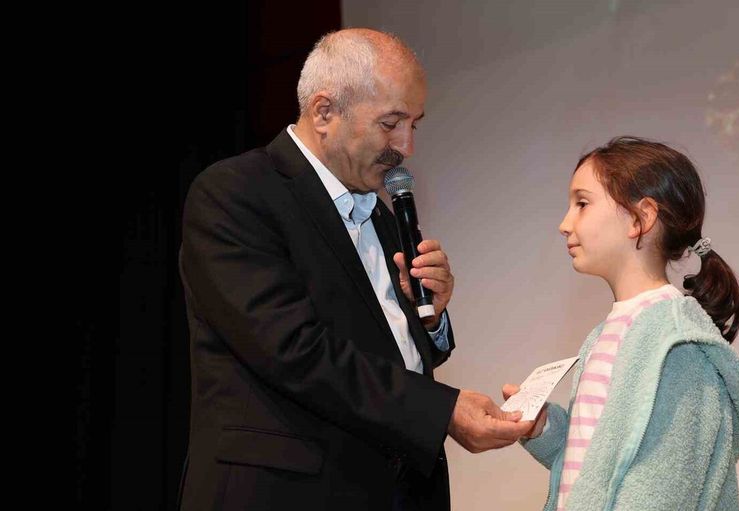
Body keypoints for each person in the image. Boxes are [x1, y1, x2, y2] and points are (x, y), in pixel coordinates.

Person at [178, 28, 531, 511]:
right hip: (289, 492)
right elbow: (293, 349)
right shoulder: (235, 193)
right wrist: (442, 411)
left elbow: (388, 348)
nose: (406, 146)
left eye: (414, 124)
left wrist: (430, 317)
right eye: (391, 123)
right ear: (324, 112)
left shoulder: (381, 214)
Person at [503, 137, 739, 510]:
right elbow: (597, 472)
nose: (564, 224)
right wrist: (543, 428)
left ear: (641, 219)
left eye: (582, 204)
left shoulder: (677, 345)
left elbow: (664, 488)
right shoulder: (607, 334)